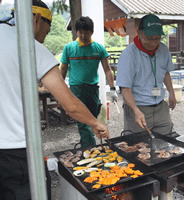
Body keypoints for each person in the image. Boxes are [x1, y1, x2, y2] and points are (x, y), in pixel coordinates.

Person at [0, 1, 109, 199]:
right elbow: (71, 106)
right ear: (36, 19)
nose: (43, 39)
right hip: (17, 151)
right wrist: (96, 122)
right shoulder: (30, 47)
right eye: (47, 32)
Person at [60, 16, 117, 147]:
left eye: (86, 32)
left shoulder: (99, 48)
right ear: (76, 32)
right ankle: (89, 147)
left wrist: (113, 89)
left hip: (92, 89)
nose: (83, 35)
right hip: (76, 89)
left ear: (92, 31)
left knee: (92, 118)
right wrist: (60, 89)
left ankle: (89, 144)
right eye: (80, 32)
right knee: (82, 120)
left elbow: (108, 70)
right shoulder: (69, 48)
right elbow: (63, 69)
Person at [116, 14, 176, 134]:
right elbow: (125, 88)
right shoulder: (129, 55)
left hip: (160, 107)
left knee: (166, 142)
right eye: (149, 38)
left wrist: (172, 93)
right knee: (138, 147)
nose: (154, 43)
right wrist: (135, 111)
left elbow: (165, 73)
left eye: (157, 38)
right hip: (138, 107)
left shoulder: (163, 50)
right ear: (139, 33)